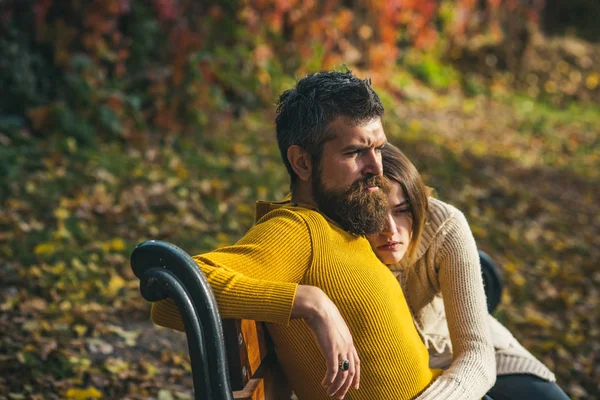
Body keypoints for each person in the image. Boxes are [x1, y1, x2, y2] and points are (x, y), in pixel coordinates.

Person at [151, 69, 443, 400]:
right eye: (354, 152)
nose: (376, 167)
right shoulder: (297, 230)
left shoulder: (344, 220)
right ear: (302, 163)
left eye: (378, 148)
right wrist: (309, 302)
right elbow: (169, 291)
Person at [366, 143, 570, 400]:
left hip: (480, 351)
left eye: (403, 210)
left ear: (418, 204)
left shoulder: (445, 224)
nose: (390, 230)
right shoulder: (339, 243)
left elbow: (477, 354)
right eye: (375, 212)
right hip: (414, 375)